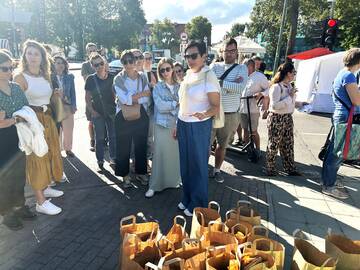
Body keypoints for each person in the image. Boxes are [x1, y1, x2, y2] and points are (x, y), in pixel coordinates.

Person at [14, 40, 64, 215]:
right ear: (24, 56)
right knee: (37, 158)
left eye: (37, 54)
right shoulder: (20, 77)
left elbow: (46, 98)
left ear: (43, 57)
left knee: (50, 153)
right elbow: (16, 105)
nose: (33, 57)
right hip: (32, 122)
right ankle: (40, 201)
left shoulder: (45, 76)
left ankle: (45, 186)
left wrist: (55, 96)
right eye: (29, 53)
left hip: (47, 118)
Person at [176, 40, 220, 216]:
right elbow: (182, 103)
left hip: (199, 126)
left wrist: (205, 114)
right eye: (187, 56)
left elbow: (216, 106)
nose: (190, 59)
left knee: (198, 166)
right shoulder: (188, 75)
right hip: (183, 123)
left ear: (204, 56)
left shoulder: (208, 76)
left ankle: (198, 203)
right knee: (185, 165)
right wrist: (176, 124)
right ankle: (187, 198)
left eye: (194, 56)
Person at [0, 50, 36, 230]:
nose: (9, 71)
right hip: (2, 140)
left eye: (11, 67)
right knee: (5, 177)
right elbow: (1, 123)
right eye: (4, 68)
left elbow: (26, 108)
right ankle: (7, 214)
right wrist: (16, 118)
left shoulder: (15, 87)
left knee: (19, 175)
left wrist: (13, 119)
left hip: (19, 135)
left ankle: (20, 206)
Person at [321, 48, 360, 199]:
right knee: (337, 153)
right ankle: (328, 185)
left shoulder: (343, 73)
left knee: (334, 151)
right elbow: (356, 100)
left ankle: (328, 181)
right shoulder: (349, 76)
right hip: (345, 118)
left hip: (341, 117)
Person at [210, 38, 248, 183]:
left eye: (233, 51)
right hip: (212, 113)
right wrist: (230, 85)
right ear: (222, 51)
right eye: (227, 50)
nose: (230, 54)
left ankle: (217, 170)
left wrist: (220, 83)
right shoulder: (214, 66)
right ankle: (203, 169)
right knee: (205, 145)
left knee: (222, 145)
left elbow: (240, 88)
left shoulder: (242, 68)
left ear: (237, 52)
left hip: (231, 114)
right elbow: (209, 87)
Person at [113, 50, 151, 187]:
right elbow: (124, 100)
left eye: (131, 60)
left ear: (136, 62)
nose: (128, 64)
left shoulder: (142, 77)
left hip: (141, 115)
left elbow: (147, 98)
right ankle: (125, 175)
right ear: (122, 63)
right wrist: (139, 95)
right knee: (123, 147)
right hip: (122, 116)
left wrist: (133, 97)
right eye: (125, 61)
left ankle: (141, 173)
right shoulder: (118, 79)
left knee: (141, 146)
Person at [145, 58, 181, 198]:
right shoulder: (158, 87)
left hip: (176, 125)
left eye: (167, 69)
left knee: (174, 156)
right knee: (159, 155)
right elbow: (160, 106)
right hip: (161, 125)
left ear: (172, 69)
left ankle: (173, 181)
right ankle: (154, 185)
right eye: (162, 70)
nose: (165, 72)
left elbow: (182, 107)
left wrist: (174, 107)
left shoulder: (180, 86)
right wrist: (174, 104)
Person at [265, 62, 301, 177]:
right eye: (293, 72)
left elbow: (290, 104)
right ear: (288, 73)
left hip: (287, 117)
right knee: (274, 144)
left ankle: (290, 168)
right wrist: (289, 97)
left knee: (288, 143)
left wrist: (301, 104)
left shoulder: (290, 86)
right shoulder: (276, 87)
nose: (294, 75)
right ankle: (270, 168)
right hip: (276, 118)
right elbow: (275, 106)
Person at [84, 53, 116, 171]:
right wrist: (92, 111)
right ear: (92, 66)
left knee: (113, 136)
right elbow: (87, 97)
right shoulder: (91, 79)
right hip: (97, 112)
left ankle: (113, 158)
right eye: (96, 65)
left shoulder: (113, 76)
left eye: (101, 63)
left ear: (105, 63)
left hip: (111, 112)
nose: (100, 66)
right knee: (100, 138)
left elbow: (116, 94)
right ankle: (100, 160)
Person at [239, 59, 269, 154]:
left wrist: (261, 93)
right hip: (242, 108)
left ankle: (258, 149)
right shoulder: (242, 76)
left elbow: (269, 89)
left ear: (250, 67)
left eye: (244, 67)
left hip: (253, 109)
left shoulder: (260, 77)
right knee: (245, 129)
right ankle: (247, 147)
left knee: (253, 131)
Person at [53, 56, 76, 157]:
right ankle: (58, 149)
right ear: (53, 64)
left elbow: (73, 92)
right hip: (55, 107)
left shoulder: (69, 76)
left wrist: (74, 105)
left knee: (68, 129)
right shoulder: (49, 77)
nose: (60, 65)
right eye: (57, 63)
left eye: (62, 63)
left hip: (67, 105)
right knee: (57, 130)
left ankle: (68, 149)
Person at [81, 42, 97, 152]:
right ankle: (93, 140)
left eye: (94, 50)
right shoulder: (85, 65)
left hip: (103, 96)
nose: (92, 52)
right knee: (91, 121)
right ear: (87, 52)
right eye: (90, 50)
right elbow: (86, 79)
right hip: (91, 96)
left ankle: (103, 141)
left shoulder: (103, 62)